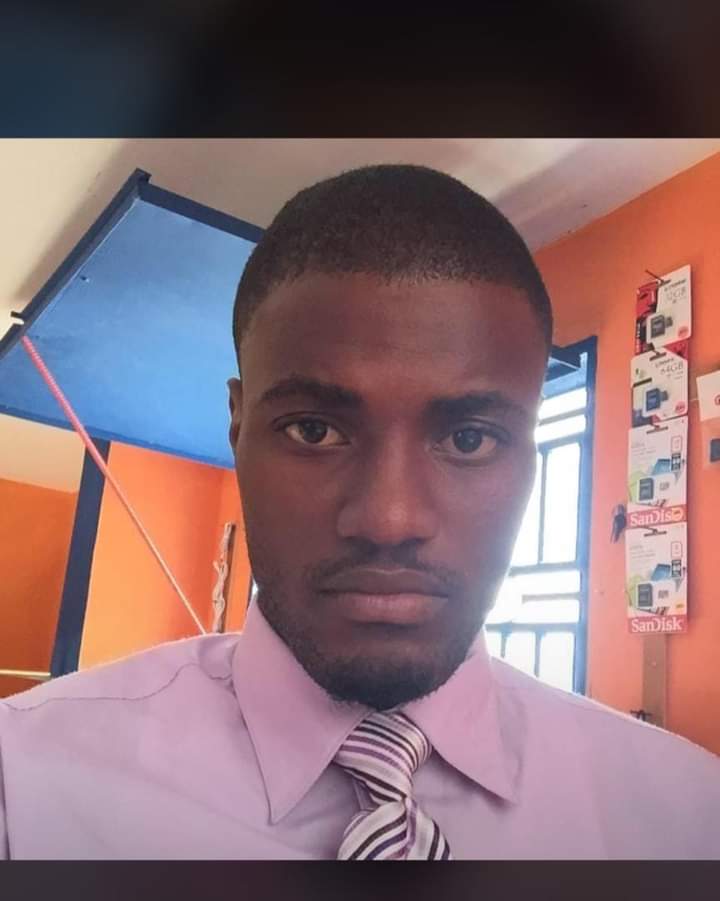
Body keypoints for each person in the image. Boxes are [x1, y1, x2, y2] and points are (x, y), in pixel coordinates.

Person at [1, 164, 718, 860]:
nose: (389, 519)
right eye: (314, 430)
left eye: (470, 439)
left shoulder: (686, 818)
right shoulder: (25, 792)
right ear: (237, 427)